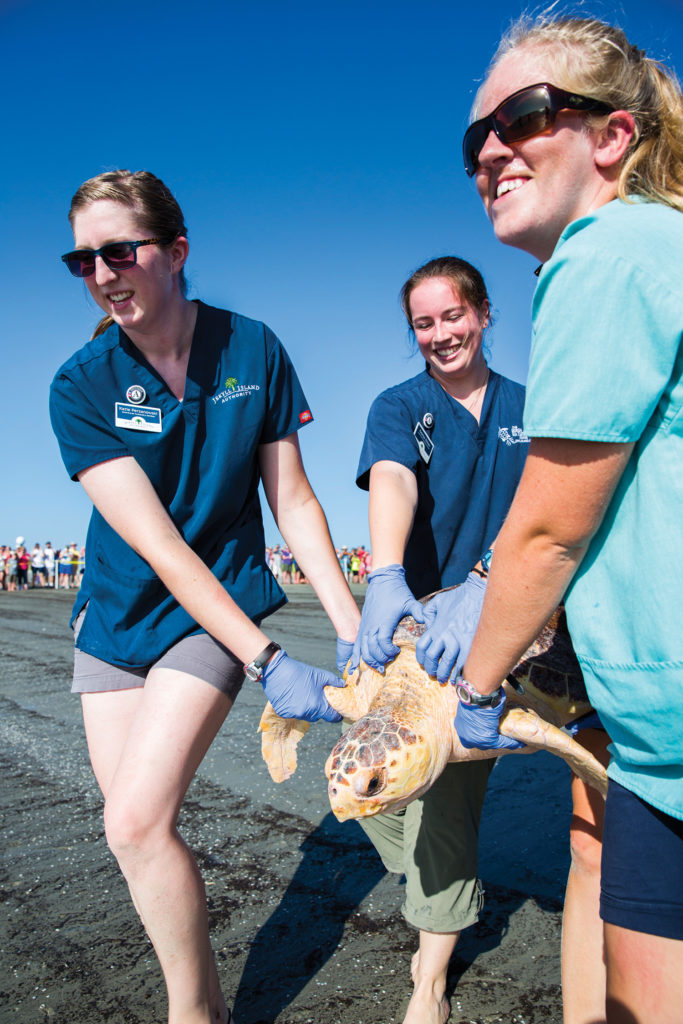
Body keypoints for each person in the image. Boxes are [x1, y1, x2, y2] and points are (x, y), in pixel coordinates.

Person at [49, 169, 360, 1024]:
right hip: (117, 620)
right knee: (136, 836)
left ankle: (194, 1018)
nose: (104, 273)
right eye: (84, 259)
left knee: (135, 821)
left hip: (214, 606)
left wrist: (349, 625)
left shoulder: (251, 348)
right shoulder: (80, 385)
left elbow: (290, 499)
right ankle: (211, 1004)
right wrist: (274, 667)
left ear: (176, 251)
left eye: (121, 250)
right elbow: (156, 544)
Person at [427, 15, 683, 1024]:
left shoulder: (607, 250)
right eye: (472, 139)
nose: (488, 150)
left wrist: (466, 694)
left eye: (521, 117)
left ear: (610, 136)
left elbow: (547, 527)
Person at [350, 256, 528, 1024]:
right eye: (423, 323)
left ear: (483, 313)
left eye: (452, 316)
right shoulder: (399, 404)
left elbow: (550, 506)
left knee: (444, 786)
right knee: (374, 788)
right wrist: (385, 576)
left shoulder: (534, 404)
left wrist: (486, 585)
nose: (439, 334)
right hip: (415, 618)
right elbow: (392, 476)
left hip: (503, 619)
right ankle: (443, 883)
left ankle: (429, 978)